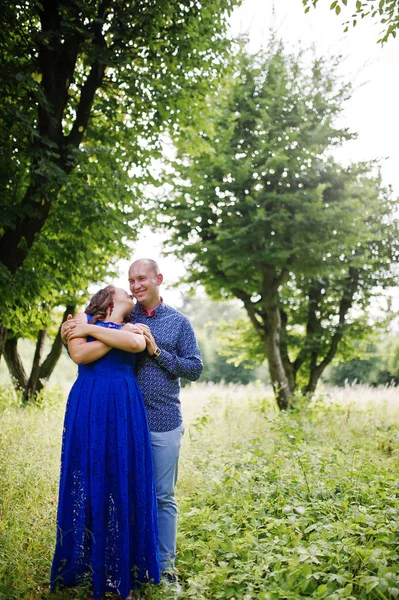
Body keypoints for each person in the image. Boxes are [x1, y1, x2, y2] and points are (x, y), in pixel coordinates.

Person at [62, 259, 203, 590]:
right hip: (122, 422)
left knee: (162, 496)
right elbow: (88, 341)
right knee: (124, 494)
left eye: (141, 279)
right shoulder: (127, 316)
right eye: (130, 280)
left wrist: (158, 352)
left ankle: (165, 568)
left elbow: (195, 369)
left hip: (163, 419)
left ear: (158, 279)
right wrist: (79, 326)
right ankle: (127, 563)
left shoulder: (179, 323)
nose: (136, 285)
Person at [52, 285, 160, 600]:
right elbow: (80, 354)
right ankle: (84, 569)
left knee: (123, 481)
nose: (132, 294)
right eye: (126, 290)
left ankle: (122, 570)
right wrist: (106, 333)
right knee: (86, 478)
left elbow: (137, 344)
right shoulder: (85, 318)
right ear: (112, 298)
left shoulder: (133, 327)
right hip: (89, 401)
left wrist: (91, 331)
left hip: (125, 405)